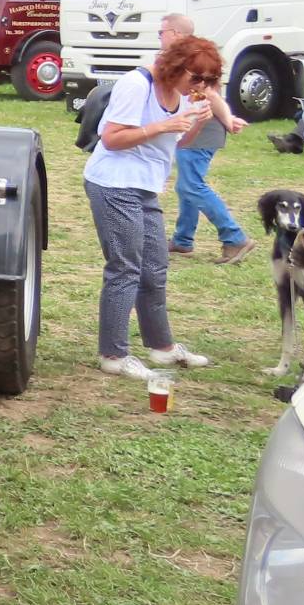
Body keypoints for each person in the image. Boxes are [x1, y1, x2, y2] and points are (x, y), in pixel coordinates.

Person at [84, 33, 224, 380]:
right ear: (176, 67)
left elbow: (177, 142)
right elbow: (112, 138)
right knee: (125, 267)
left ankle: (161, 348)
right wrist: (161, 124)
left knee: (155, 268)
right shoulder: (136, 84)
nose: (202, 86)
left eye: (209, 80)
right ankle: (113, 355)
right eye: (197, 77)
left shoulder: (179, 93)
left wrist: (196, 123)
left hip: (145, 187)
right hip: (114, 183)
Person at [155, 14, 251, 262]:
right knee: (187, 184)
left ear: (175, 33)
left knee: (191, 185)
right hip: (194, 127)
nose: (160, 36)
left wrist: (228, 121)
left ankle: (235, 237)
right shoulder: (190, 56)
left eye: (161, 32)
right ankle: (183, 239)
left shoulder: (193, 58)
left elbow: (212, 96)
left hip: (200, 130)